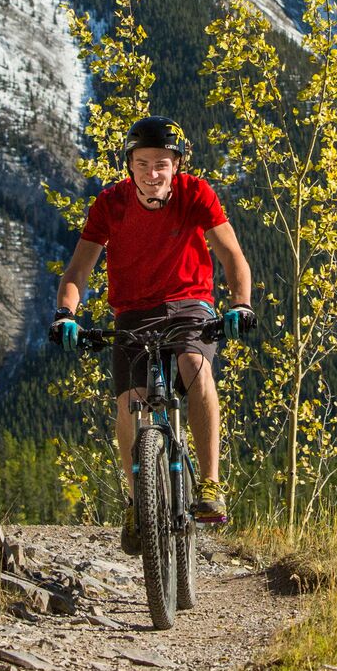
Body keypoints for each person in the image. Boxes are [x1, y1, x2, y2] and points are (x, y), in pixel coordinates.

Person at [52, 115, 254, 553]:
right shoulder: (110, 204)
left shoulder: (196, 194)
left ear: (176, 165)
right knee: (131, 401)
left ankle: (210, 484)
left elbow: (231, 254)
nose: (151, 173)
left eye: (161, 163)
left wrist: (240, 304)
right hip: (133, 311)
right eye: (142, 163)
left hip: (190, 304)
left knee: (194, 366)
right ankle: (136, 500)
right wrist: (66, 313)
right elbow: (79, 269)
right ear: (129, 165)